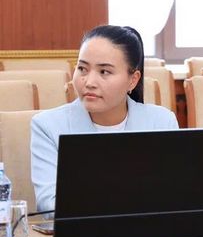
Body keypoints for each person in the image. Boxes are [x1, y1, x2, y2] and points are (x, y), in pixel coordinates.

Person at [31, 25, 178, 212]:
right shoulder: (47, 126)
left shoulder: (161, 122)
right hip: (81, 230)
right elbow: (50, 205)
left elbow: (173, 195)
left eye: (104, 72)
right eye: (82, 69)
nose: (89, 82)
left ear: (133, 80)